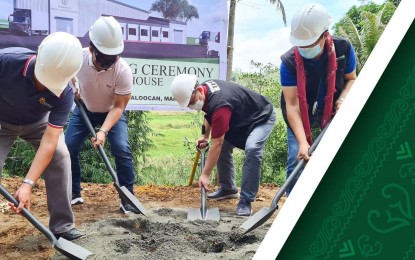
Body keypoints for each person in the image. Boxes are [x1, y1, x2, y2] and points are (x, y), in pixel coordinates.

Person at [0, 32, 85, 240]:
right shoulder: (6, 62)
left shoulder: (65, 93)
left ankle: (62, 226)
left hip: (38, 123)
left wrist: (27, 184)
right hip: (1, 121)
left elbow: (49, 141)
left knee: (60, 155)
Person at [170, 74, 276, 216]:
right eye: (188, 104)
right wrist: (205, 135)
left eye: (191, 102)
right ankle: (228, 189)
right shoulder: (206, 90)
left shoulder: (220, 104)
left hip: (261, 117)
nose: (191, 106)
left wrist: (205, 174)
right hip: (240, 119)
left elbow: (217, 144)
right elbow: (209, 114)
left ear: (199, 91)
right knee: (223, 148)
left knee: (252, 149)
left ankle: (246, 200)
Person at [280, 3, 357, 195]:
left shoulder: (343, 49)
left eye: (309, 44)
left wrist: (343, 99)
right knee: (295, 158)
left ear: (324, 35)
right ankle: (293, 204)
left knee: (330, 156)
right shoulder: (289, 62)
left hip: (331, 110)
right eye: (300, 45)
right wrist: (303, 143)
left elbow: (352, 79)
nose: (304, 49)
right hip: (298, 111)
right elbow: (292, 105)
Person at [65, 16, 139, 214]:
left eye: (112, 59)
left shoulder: (123, 71)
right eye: (103, 59)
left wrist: (104, 131)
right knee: (68, 147)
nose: (107, 65)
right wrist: (73, 85)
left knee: (121, 148)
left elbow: (118, 107)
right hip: (84, 111)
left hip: (111, 112)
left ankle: (128, 198)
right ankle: (74, 193)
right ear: (91, 49)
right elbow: (65, 73)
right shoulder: (77, 58)